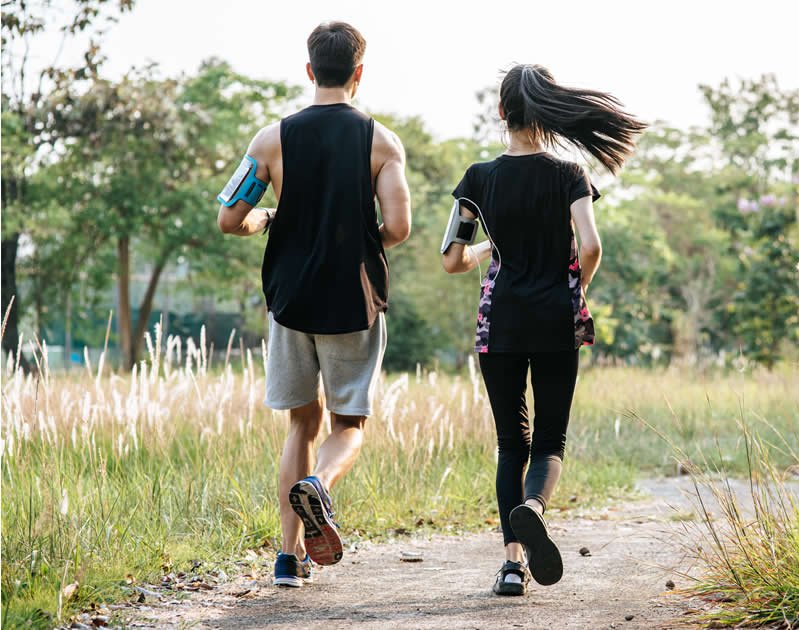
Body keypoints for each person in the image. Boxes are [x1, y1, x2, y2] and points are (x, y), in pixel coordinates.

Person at [216, 21, 412, 588]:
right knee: (348, 423)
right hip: (354, 300)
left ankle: (286, 557)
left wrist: (272, 218)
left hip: (291, 301)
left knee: (301, 424)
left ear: (309, 71)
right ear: (358, 73)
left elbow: (231, 219)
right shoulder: (382, 142)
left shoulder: (269, 141)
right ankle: (320, 487)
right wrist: (356, 237)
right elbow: (397, 227)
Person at [441, 64, 645, 596]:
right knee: (550, 439)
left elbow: (453, 260)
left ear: (502, 112)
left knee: (512, 441)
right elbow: (592, 245)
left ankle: (512, 565)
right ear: (546, 111)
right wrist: (578, 293)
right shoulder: (569, 174)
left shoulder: (477, 179)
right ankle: (535, 505)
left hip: (500, 322)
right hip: (556, 318)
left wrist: (493, 248)